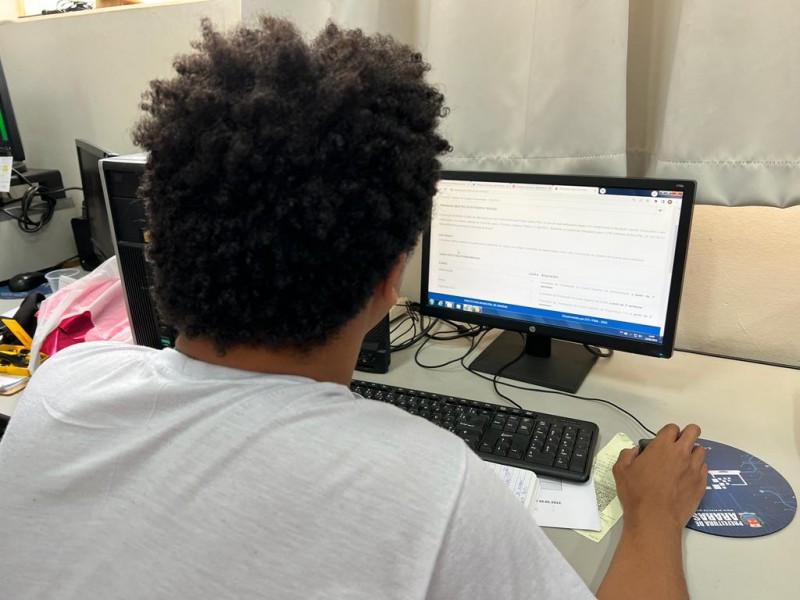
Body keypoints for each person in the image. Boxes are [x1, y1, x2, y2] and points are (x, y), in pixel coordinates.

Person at [0, 16, 707, 599]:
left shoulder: (61, 387)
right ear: (389, 277)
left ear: (165, 237)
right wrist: (652, 514)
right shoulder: (433, 489)